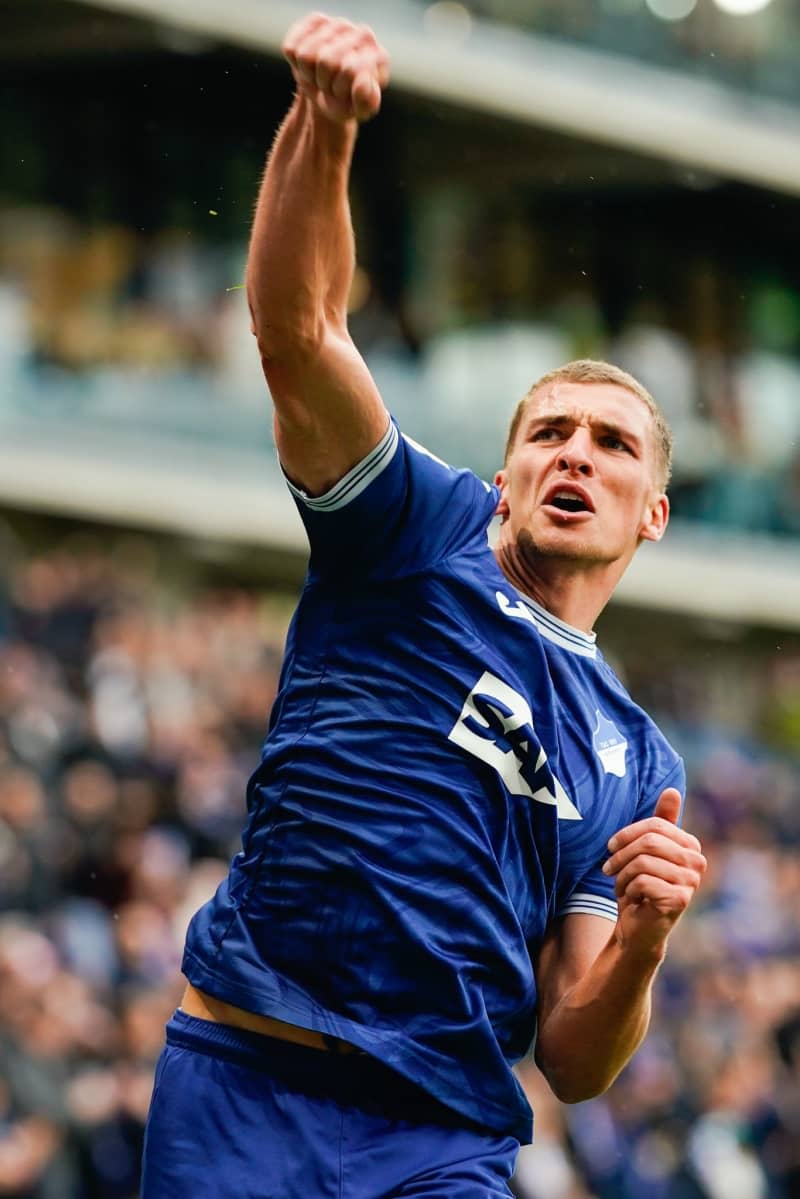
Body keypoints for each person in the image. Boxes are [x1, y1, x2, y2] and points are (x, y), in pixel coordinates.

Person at [141, 13, 707, 1198]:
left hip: (439, 1138)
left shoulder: (632, 755)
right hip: (244, 1080)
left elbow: (574, 1055)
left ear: (648, 510)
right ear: (503, 477)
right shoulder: (414, 526)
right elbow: (298, 336)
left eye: (610, 445)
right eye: (548, 431)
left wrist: (649, 934)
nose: (576, 455)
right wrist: (323, 131)